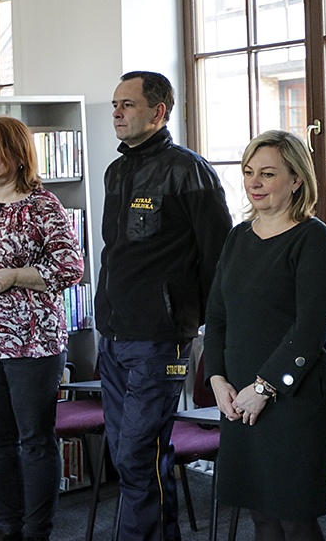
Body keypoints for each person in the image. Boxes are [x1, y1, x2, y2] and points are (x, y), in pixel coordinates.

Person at [94, 71, 232, 541]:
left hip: (161, 339)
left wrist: (212, 330)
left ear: (159, 111)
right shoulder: (116, 171)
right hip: (113, 336)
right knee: (134, 455)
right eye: (115, 104)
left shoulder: (187, 170)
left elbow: (218, 256)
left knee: (137, 453)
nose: (116, 112)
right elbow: (114, 254)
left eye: (127, 104)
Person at [0, 115, 83, 541]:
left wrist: (14, 276)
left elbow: (70, 267)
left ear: (18, 152)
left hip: (32, 341)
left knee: (35, 441)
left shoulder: (43, 206)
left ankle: (37, 530)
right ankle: (8, 527)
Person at [204, 130, 326, 541]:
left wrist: (264, 388)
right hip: (237, 398)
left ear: (297, 178)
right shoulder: (238, 237)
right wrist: (217, 380)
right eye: (249, 172)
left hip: (293, 400)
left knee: (293, 516)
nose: (255, 183)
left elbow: (308, 332)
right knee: (259, 514)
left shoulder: (314, 240)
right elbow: (217, 315)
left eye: (268, 173)